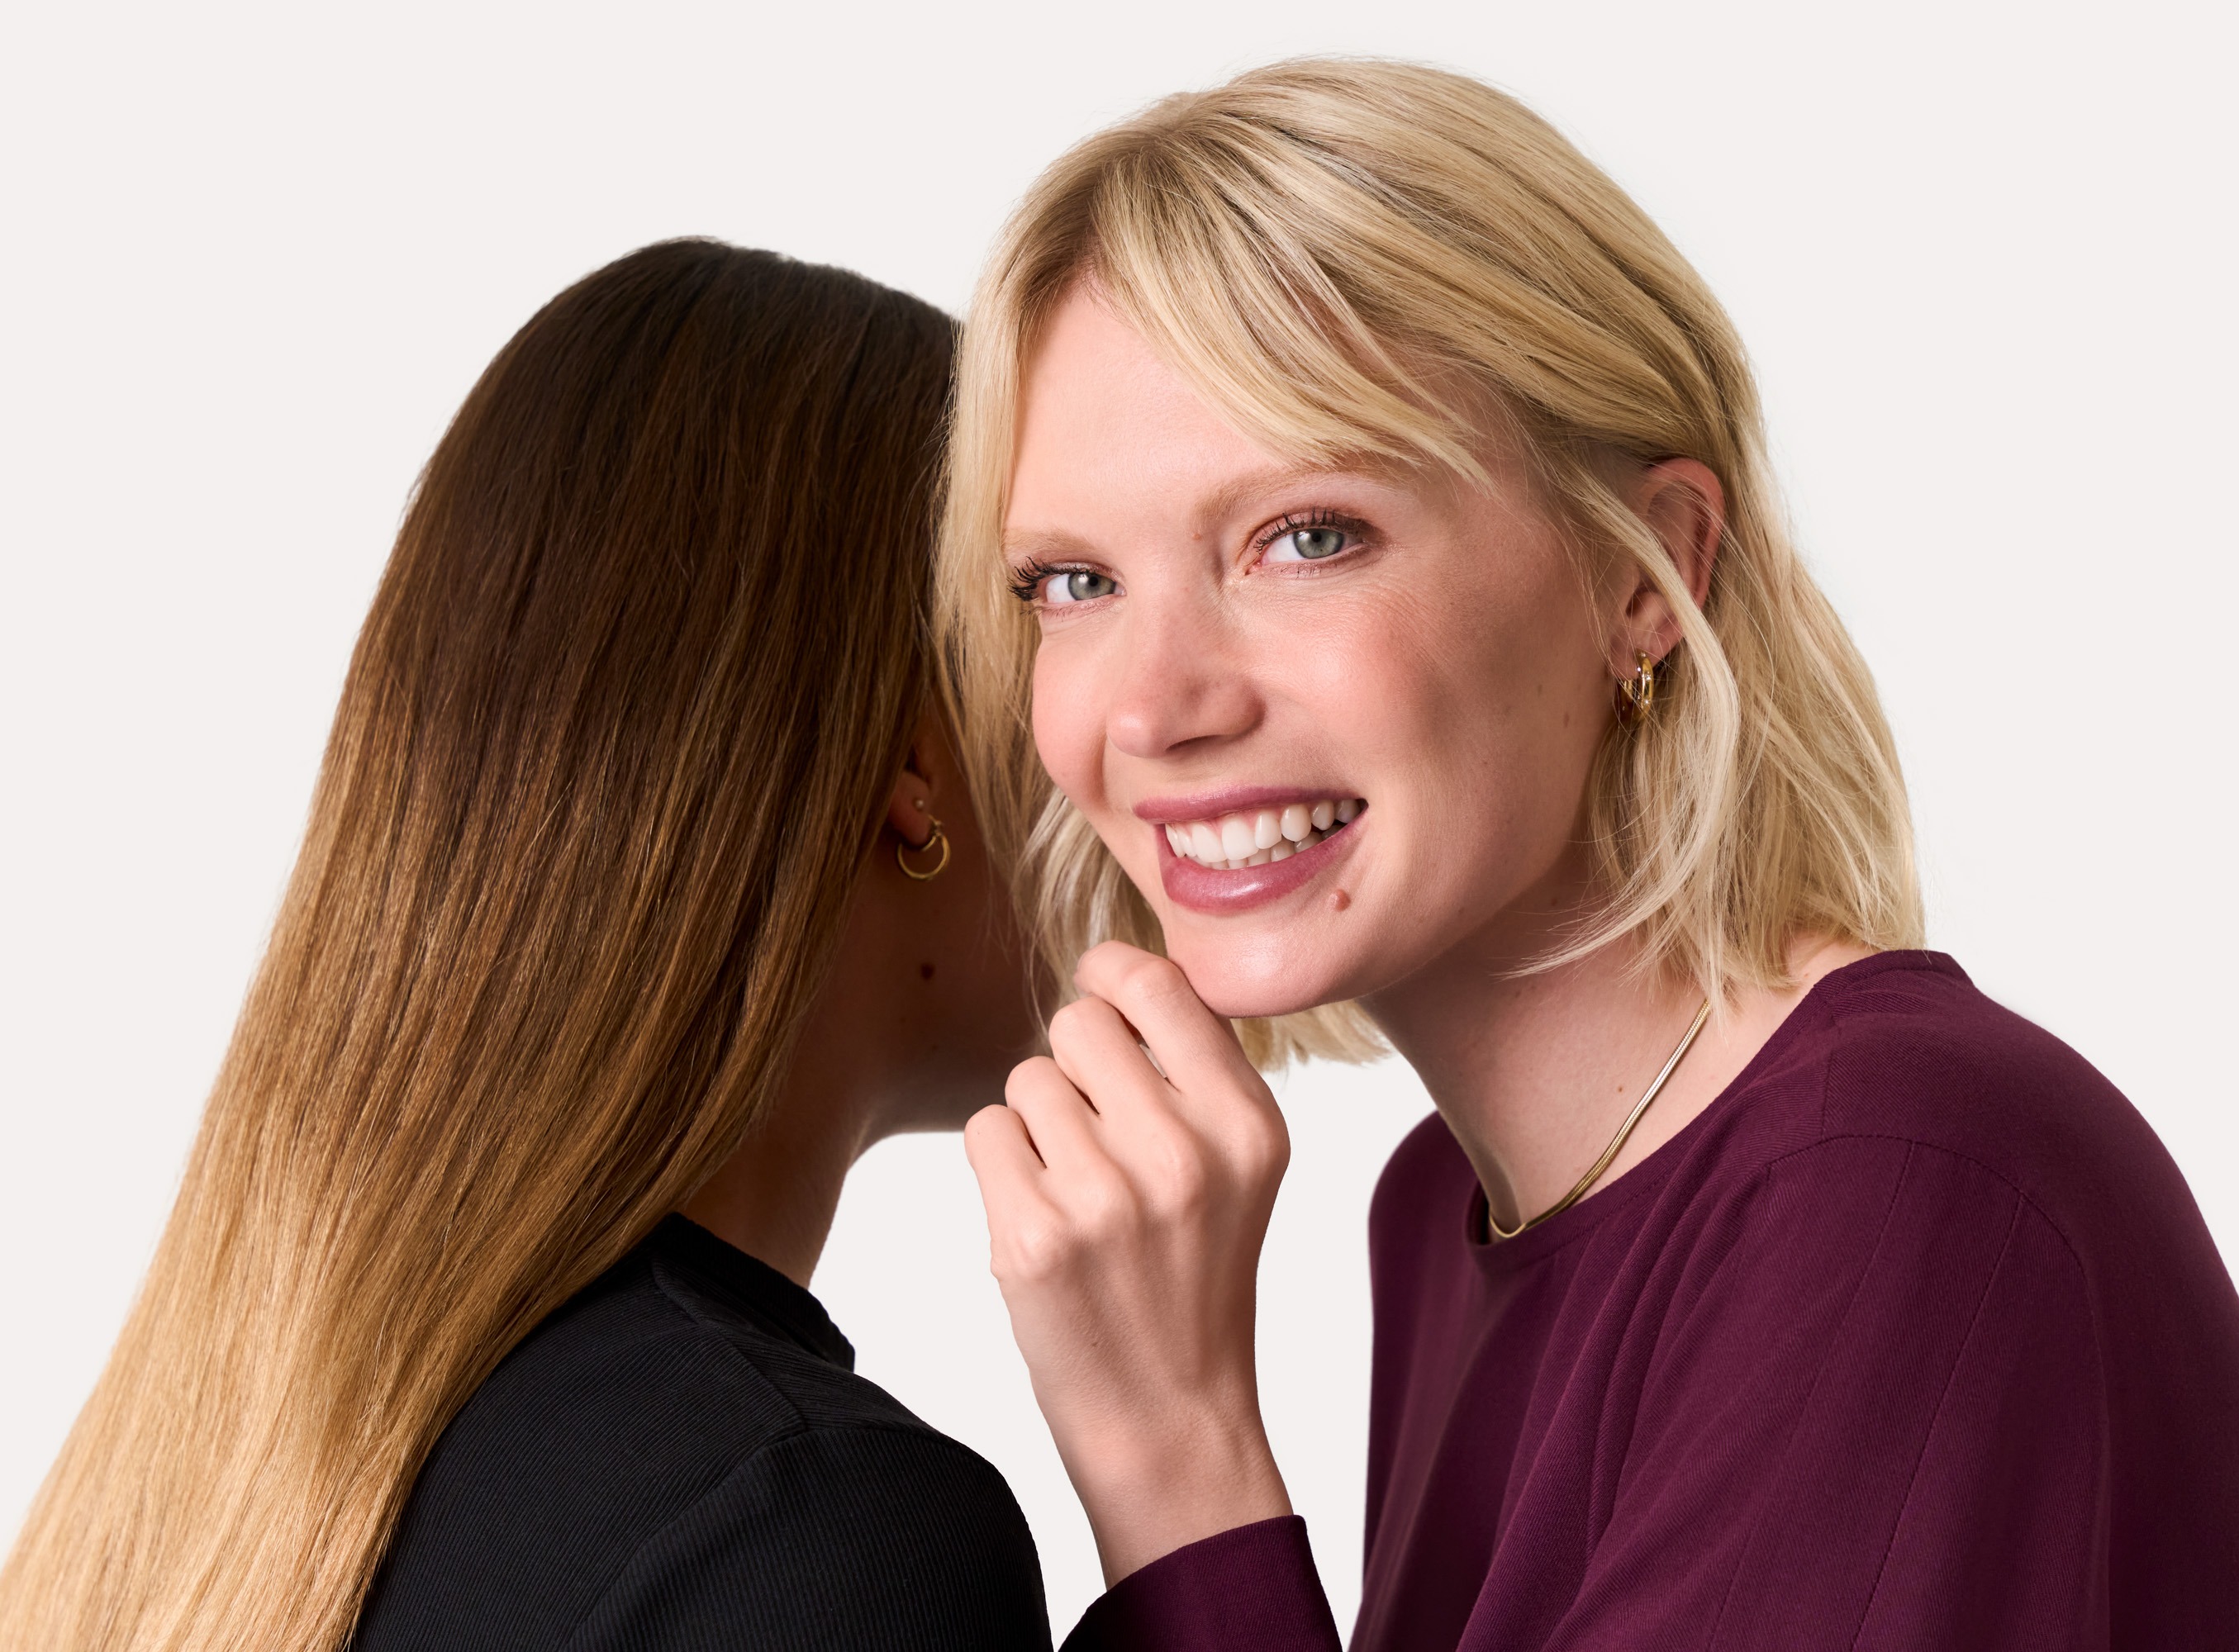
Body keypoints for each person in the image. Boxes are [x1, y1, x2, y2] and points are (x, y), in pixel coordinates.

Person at [940, 59, 2239, 1651]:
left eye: (1307, 537)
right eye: (1070, 583)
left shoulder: (1891, 1179)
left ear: (1645, 571)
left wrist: (1173, 1464)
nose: (1152, 707)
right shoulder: (1446, 1207)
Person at [0, 240, 1051, 1651]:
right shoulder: (814, 1541)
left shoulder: (214, 1466)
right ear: (915, 758)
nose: (1128, 733)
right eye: (1059, 607)